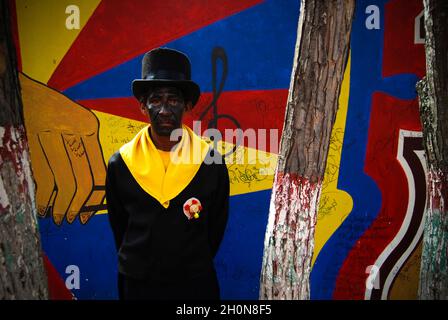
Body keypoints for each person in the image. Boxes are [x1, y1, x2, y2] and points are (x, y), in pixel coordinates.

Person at [105, 48, 230, 300]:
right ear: (142, 105)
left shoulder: (210, 162)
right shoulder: (121, 163)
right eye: (155, 99)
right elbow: (120, 226)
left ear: (187, 104)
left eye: (173, 99)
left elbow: (215, 227)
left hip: (194, 285)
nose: (164, 109)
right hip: (137, 284)